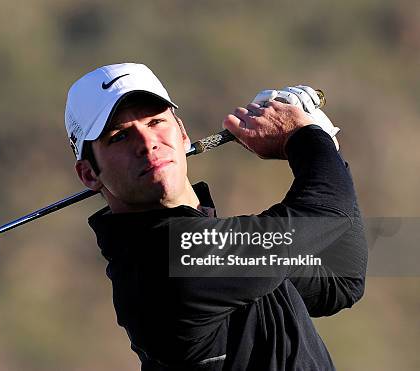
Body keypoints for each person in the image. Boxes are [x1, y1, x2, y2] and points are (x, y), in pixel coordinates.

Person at [64, 63, 367, 371]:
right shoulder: (167, 257)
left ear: (182, 134)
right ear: (89, 174)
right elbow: (325, 213)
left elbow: (341, 280)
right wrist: (307, 137)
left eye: (156, 121)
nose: (147, 143)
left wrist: (322, 142)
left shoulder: (213, 248)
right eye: (119, 136)